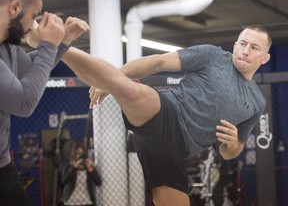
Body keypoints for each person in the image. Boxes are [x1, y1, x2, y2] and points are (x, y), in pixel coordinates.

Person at [61, 25, 272, 206]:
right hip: (166, 111)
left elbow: (230, 152)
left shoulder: (256, 103)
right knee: (130, 89)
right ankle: (58, 46)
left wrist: (233, 143)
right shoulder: (213, 56)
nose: (246, 50)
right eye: (243, 43)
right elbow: (158, 62)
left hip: (176, 149)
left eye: (254, 48)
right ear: (235, 45)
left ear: (265, 58)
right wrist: (116, 77)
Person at [0, 0, 89, 205]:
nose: (32, 27)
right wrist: (48, 44)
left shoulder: (7, 46)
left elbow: (34, 67)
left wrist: (63, 42)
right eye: (33, 16)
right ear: (15, 8)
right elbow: (24, 102)